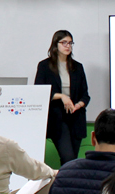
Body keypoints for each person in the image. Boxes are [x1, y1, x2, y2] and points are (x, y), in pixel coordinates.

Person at [34, 30, 90, 165]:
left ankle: (67, 183)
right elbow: (39, 92)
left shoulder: (77, 67)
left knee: (72, 161)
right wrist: (62, 96)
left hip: (76, 117)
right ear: (55, 44)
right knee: (68, 157)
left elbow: (85, 95)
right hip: (57, 118)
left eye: (70, 43)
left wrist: (79, 105)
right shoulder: (45, 66)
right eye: (64, 42)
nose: (68, 46)